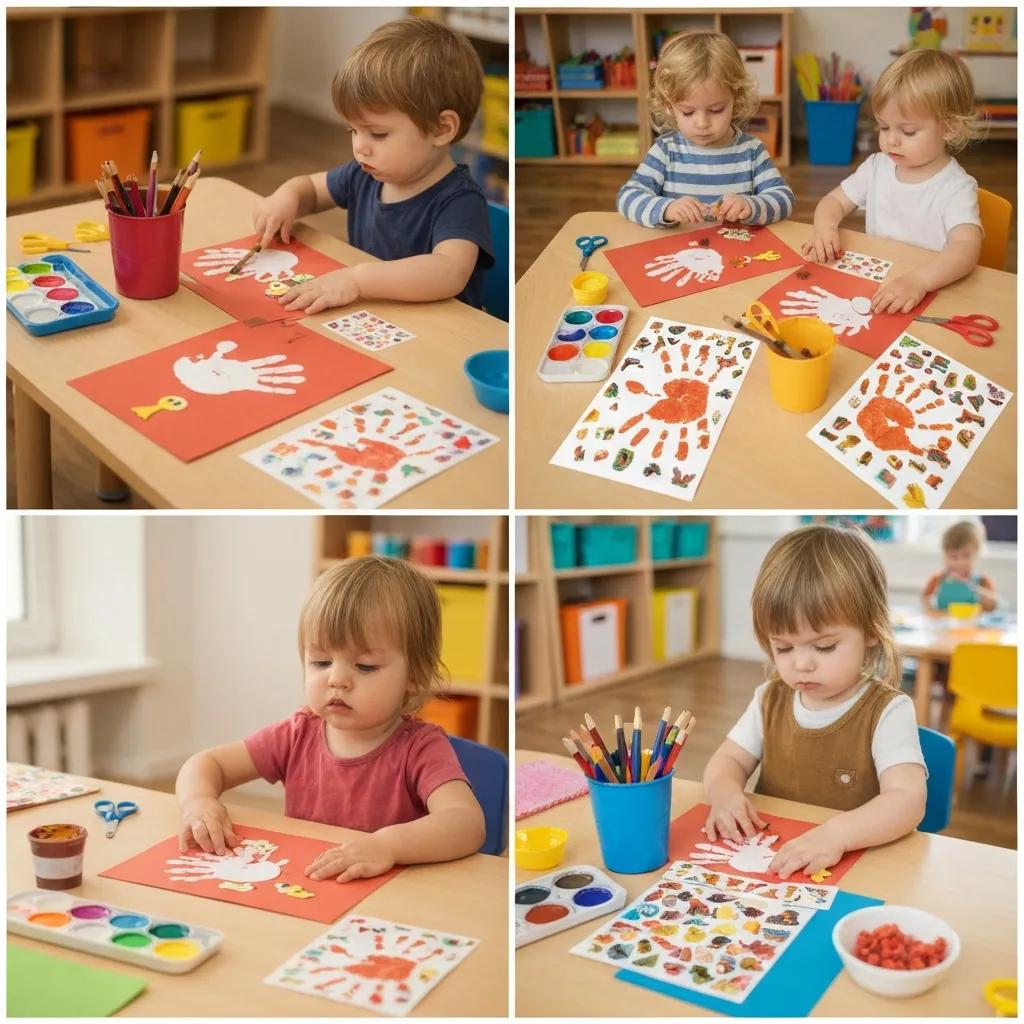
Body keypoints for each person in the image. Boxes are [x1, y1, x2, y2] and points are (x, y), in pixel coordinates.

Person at [176, 556, 485, 882]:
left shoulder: (420, 748)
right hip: (308, 887)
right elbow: (208, 763)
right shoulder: (297, 733)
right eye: (321, 662)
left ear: (414, 675)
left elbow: (466, 822)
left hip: (390, 898)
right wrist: (198, 802)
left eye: (365, 667)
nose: (337, 679)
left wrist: (387, 846)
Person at [703, 525, 926, 880]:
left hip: (858, 866)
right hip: (775, 863)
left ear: (870, 631)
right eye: (783, 647)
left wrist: (837, 835)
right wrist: (725, 794)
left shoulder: (888, 711)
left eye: (823, 647)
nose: (801, 664)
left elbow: (907, 799)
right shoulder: (769, 699)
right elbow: (727, 760)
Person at [252, 16, 494, 311]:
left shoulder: (460, 200)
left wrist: (358, 280)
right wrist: (286, 198)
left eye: (378, 134)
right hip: (377, 317)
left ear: (441, 129)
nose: (359, 147)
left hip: (445, 337)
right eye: (353, 130)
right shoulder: (366, 173)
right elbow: (312, 190)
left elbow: (448, 272)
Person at [803, 49, 984, 314]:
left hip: (931, 291)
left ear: (948, 128)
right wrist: (825, 228)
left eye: (908, 131)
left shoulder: (956, 187)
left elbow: (966, 248)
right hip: (880, 284)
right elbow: (833, 201)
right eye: (884, 127)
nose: (891, 140)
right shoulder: (877, 167)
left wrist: (919, 281)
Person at [617, 30, 794, 228]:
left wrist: (751, 205)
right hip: (676, 254)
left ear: (736, 100)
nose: (702, 123)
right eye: (687, 112)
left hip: (736, 254)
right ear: (669, 105)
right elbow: (628, 197)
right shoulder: (665, 151)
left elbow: (784, 199)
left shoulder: (751, 151)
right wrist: (666, 209)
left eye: (716, 110)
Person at [921, 520, 998, 614]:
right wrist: (931, 608)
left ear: (976, 555)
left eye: (966, 556)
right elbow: (925, 601)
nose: (960, 562)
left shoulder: (982, 581)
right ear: (945, 557)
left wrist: (972, 586)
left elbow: (993, 606)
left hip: (971, 626)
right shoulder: (937, 579)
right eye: (954, 557)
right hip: (944, 625)